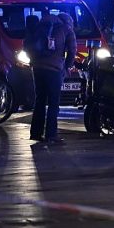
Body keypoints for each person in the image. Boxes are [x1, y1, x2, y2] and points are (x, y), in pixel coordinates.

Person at [29, 11, 76, 144]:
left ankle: (36, 133)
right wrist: (67, 67)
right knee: (54, 103)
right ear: (68, 22)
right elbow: (72, 51)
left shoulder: (42, 24)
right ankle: (51, 135)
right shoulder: (66, 29)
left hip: (37, 67)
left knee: (40, 101)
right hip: (54, 69)